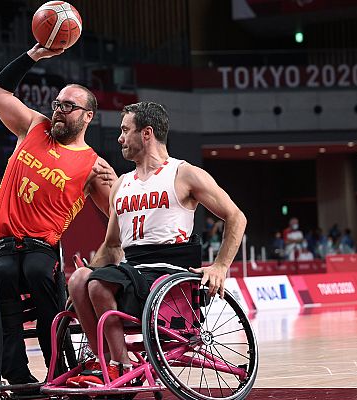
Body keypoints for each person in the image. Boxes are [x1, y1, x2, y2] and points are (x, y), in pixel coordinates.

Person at [65, 102, 247, 386]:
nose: (120, 138)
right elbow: (112, 246)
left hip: (167, 274)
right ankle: (102, 360)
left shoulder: (184, 174)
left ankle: (119, 365)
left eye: (125, 131)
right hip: (131, 273)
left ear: (146, 133)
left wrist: (221, 266)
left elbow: (236, 217)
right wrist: (82, 285)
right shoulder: (121, 184)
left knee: (98, 284)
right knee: (79, 279)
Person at [0, 43, 116, 388]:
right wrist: (34, 56)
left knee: (40, 274)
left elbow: (119, 215)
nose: (58, 110)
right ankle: (17, 376)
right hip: (0, 244)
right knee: (5, 277)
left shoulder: (94, 167)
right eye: (57, 103)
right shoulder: (33, 127)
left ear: (87, 116)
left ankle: (59, 369)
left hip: (42, 246)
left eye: (69, 106)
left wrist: (110, 254)